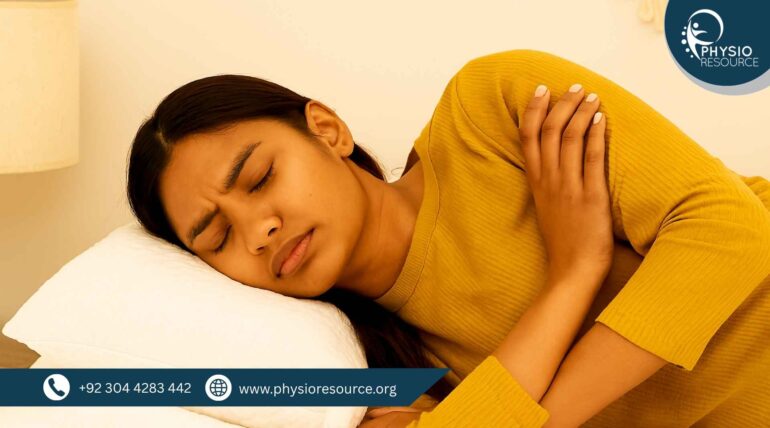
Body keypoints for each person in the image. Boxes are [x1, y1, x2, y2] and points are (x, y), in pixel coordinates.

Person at [127, 49, 770, 427]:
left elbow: (731, 231)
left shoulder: (491, 111)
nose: (258, 229)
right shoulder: (373, 367)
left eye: (261, 177)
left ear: (326, 131)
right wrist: (575, 270)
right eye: (218, 238)